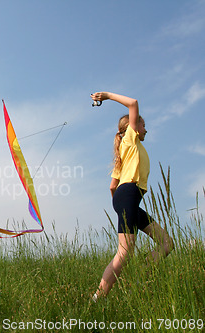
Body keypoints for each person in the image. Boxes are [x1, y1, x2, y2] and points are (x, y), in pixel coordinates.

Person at [91, 92, 174, 301]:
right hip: (128, 195)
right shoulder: (130, 137)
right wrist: (107, 96)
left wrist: (120, 206)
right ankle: (97, 298)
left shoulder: (126, 154)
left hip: (127, 198)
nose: (146, 129)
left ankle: (139, 278)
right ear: (133, 126)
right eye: (143, 125)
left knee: (167, 243)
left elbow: (112, 187)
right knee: (125, 252)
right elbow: (133, 103)